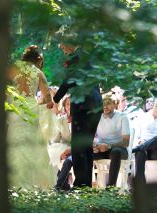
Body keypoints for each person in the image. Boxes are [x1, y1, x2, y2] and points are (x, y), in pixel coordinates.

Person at [53, 38, 102, 188]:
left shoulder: (76, 58)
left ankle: (80, 184)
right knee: (86, 145)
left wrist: (55, 98)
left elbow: (68, 81)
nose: (64, 51)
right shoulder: (89, 56)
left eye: (63, 48)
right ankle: (86, 183)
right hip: (96, 105)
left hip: (83, 106)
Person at [6, 45, 54, 189]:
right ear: (38, 59)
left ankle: (13, 181)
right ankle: (31, 182)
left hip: (15, 108)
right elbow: (48, 98)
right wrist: (43, 102)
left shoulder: (12, 68)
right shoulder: (38, 72)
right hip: (31, 109)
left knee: (14, 140)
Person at [93, 95, 130, 186]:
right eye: (103, 104)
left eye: (108, 103)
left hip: (119, 149)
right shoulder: (97, 117)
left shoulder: (122, 116)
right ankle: (85, 185)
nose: (105, 106)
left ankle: (111, 188)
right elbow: (90, 137)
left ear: (114, 104)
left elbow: (126, 142)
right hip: (102, 149)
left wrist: (109, 146)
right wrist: (95, 147)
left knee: (116, 152)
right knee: (85, 152)